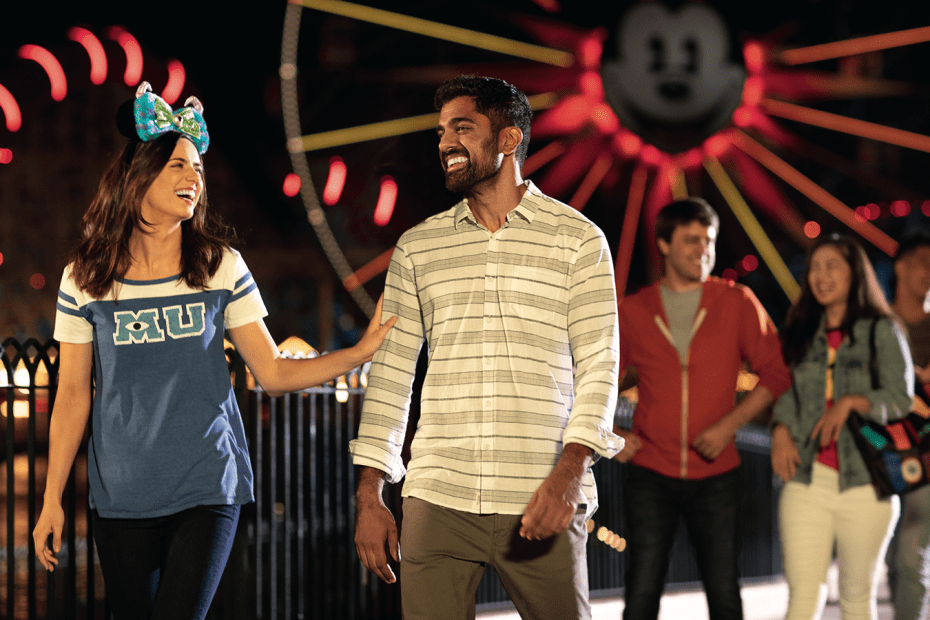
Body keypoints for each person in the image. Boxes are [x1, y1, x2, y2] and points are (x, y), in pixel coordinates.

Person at [32, 82, 395, 620]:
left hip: (208, 485)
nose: (193, 178)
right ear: (139, 175)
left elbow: (271, 371)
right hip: (121, 497)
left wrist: (359, 353)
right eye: (178, 165)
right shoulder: (84, 279)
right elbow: (70, 398)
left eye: (198, 168)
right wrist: (50, 499)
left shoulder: (219, 265)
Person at [349, 75, 622, 620]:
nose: (446, 142)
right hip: (436, 496)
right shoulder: (417, 248)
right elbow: (392, 375)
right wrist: (370, 495)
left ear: (508, 140)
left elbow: (600, 366)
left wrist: (568, 476)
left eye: (463, 128)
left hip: (540, 493)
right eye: (442, 131)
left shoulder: (579, 240)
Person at [614, 197, 791, 620]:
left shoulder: (737, 301)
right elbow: (594, 381)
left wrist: (729, 425)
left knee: (725, 595)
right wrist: (611, 436)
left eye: (708, 240)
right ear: (663, 244)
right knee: (641, 595)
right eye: (691, 240)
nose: (703, 249)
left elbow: (777, 373)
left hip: (718, 476)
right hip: (649, 473)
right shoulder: (634, 310)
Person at [771, 233, 911, 619]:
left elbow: (901, 400)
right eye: (814, 267)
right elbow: (786, 393)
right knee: (802, 596)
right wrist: (781, 428)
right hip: (806, 480)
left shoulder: (883, 330)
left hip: (867, 483)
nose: (820, 275)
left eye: (832, 266)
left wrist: (854, 402)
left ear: (856, 274)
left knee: (855, 598)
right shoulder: (801, 332)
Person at [885, 230, 930, 620]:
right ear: (899, 265)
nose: (929, 273)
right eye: (922, 262)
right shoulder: (874, 325)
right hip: (878, 449)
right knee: (893, 558)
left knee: (911, 554)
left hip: (925, 453)